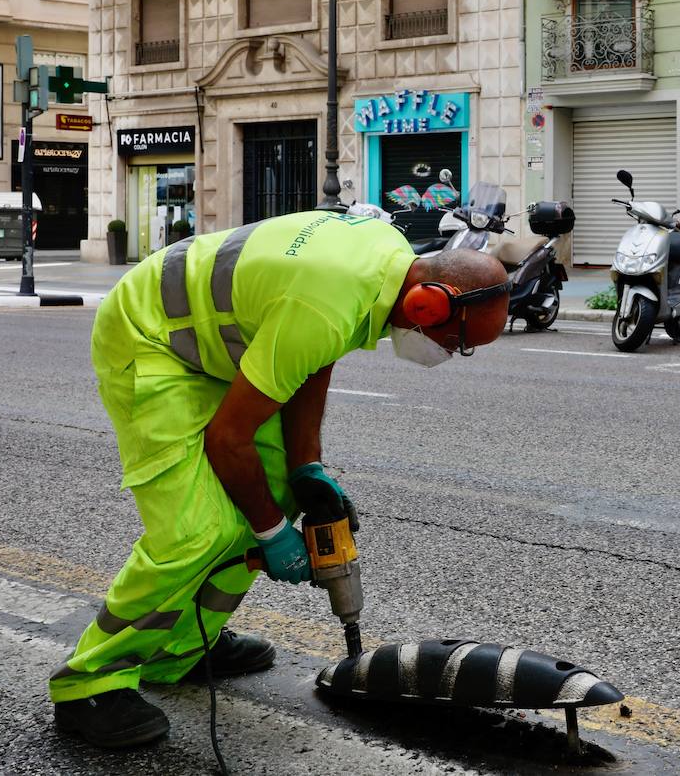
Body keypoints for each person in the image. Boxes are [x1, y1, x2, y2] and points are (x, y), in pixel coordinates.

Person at [50, 210, 509, 748]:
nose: (452, 354)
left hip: (221, 348)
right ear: (425, 302)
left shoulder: (386, 259)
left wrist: (305, 469)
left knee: (274, 497)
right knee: (196, 533)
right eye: (456, 341)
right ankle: (89, 681)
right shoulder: (325, 300)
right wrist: (272, 534)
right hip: (150, 337)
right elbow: (229, 440)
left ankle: (183, 645)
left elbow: (315, 362)